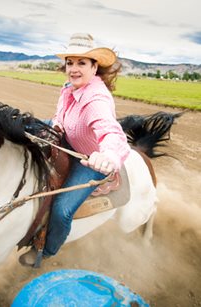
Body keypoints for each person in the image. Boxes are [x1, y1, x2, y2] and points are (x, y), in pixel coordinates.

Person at [19, 33, 131, 266]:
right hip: (67, 139)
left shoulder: (96, 101)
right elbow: (59, 116)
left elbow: (113, 134)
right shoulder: (69, 88)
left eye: (81, 62)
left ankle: (46, 251)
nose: (73, 68)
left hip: (89, 159)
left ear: (94, 67)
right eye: (70, 62)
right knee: (24, 123)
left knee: (62, 210)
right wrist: (55, 125)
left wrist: (107, 157)